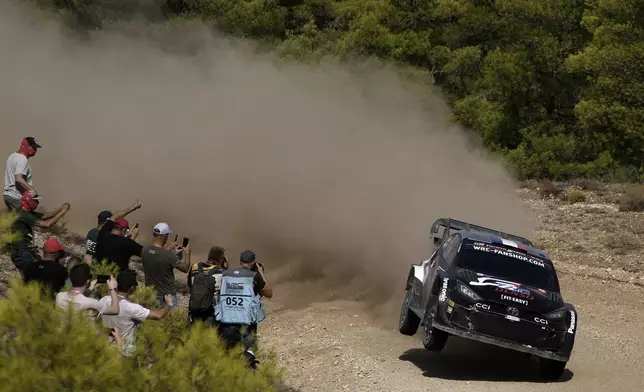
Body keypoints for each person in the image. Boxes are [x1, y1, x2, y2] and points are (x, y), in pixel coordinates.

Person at [215, 250, 273, 369]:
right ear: (253, 263)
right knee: (248, 356)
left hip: (227, 320)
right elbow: (269, 293)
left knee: (228, 354)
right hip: (246, 322)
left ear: (240, 261)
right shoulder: (254, 276)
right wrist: (261, 273)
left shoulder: (226, 274)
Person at [98, 270, 173, 357]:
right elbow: (158, 315)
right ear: (132, 288)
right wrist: (168, 304)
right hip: (125, 354)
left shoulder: (104, 300)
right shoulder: (130, 307)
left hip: (106, 350)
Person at [8, 190, 70, 274]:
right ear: (29, 200)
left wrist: (60, 208)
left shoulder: (24, 212)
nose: (37, 202)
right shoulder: (24, 215)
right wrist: (63, 212)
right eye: (35, 200)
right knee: (33, 276)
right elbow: (47, 224)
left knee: (28, 277)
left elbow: (45, 215)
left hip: (20, 252)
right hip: (22, 253)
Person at [141, 223, 191, 309]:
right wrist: (187, 253)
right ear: (165, 236)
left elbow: (157, 254)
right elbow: (185, 268)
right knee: (169, 321)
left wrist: (170, 249)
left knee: (152, 321)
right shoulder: (168, 256)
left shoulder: (145, 250)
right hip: (167, 297)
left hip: (150, 294)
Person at [55, 264, 120, 318]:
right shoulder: (90, 302)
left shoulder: (59, 296)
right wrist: (112, 289)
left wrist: (90, 288)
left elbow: (76, 296)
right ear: (87, 281)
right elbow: (114, 310)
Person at [187, 245, 228, 326]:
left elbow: (190, 286)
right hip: (211, 312)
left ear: (209, 256)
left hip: (194, 310)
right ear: (221, 259)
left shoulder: (194, 267)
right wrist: (226, 267)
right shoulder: (221, 272)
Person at [3, 137, 41, 211]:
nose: (35, 150)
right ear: (27, 146)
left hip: (7, 196)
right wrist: (32, 191)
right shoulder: (22, 159)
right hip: (16, 197)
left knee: (14, 221)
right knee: (32, 221)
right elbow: (19, 178)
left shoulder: (12, 156)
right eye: (34, 147)